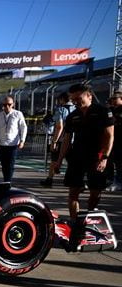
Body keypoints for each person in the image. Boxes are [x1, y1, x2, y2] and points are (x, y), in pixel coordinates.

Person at [54, 83, 114, 221]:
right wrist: (59, 161)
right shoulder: (72, 116)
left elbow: (110, 136)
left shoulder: (103, 111)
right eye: (73, 99)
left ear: (89, 96)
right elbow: (67, 139)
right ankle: (75, 223)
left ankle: (90, 213)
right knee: (73, 191)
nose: (75, 102)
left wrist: (104, 157)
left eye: (78, 98)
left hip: (98, 155)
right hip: (78, 155)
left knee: (95, 191)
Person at [41, 92, 75, 187]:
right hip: (74, 139)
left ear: (62, 99)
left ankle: (49, 179)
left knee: (54, 160)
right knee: (71, 161)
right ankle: (70, 180)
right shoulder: (76, 109)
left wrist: (54, 141)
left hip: (62, 139)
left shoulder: (61, 110)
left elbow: (59, 126)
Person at [0, 96, 27, 183]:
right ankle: (6, 180)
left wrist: (22, 140)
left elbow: (23, 127)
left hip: (13, 144)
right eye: (5, 104)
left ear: (13, 104)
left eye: (9, 104)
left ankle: (8, 182)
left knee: (10, 165)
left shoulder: (18, 114)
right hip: (2, 145)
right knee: (4, 165)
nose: (7, 106)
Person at [106, 91, 122, 191]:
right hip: (112, 139)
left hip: (120, 140)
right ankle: (110, 179)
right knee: (110, 160)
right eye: (112, 99)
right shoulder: (110, 110)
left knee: (119, 162)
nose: (113, 101)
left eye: (115, 98)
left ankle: (119, 182)